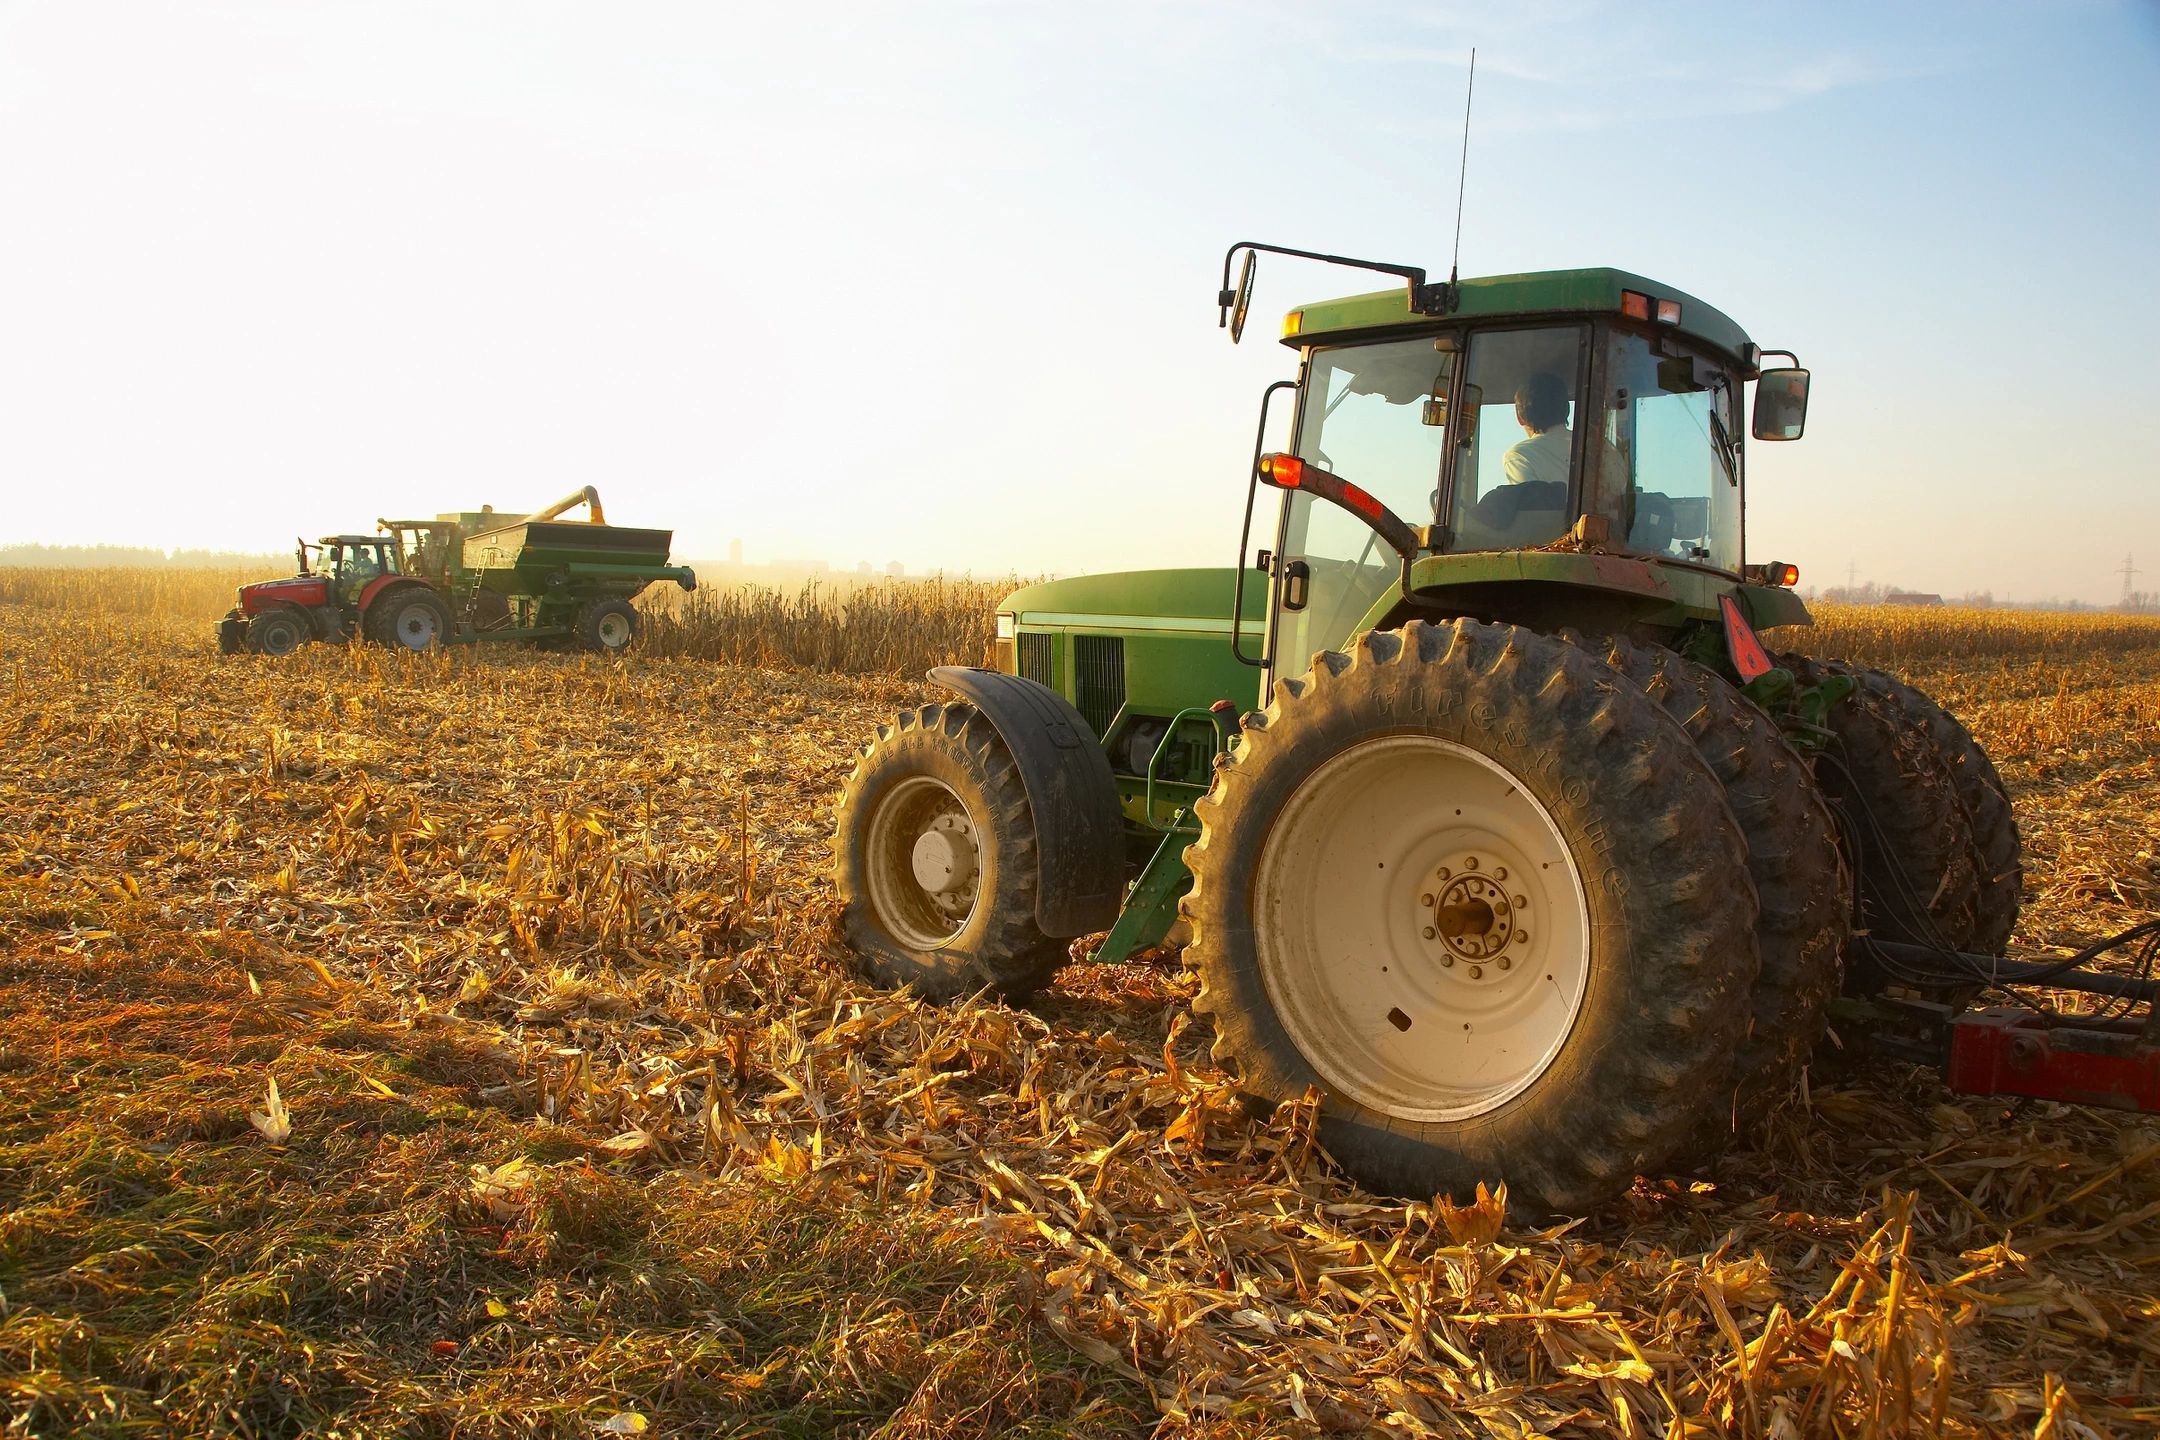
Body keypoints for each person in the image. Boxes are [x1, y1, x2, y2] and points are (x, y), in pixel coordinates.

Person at [1502, 371, 1572, 487]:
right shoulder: (1602, 448)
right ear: (1567, 409)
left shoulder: (1519, 456)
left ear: (1520, 418)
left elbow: (1529, 504)